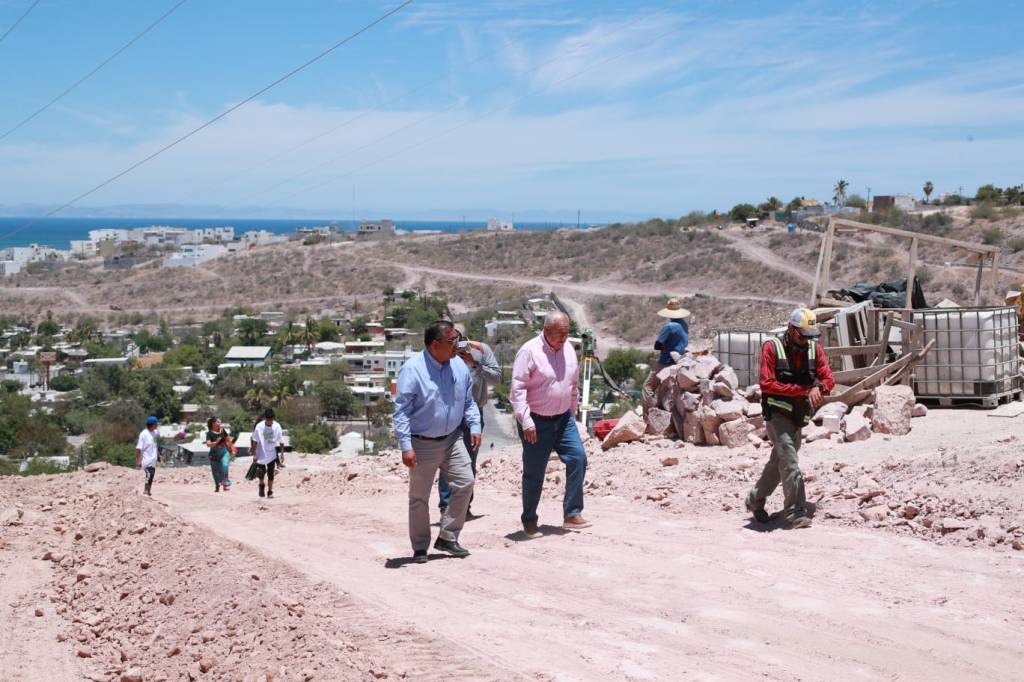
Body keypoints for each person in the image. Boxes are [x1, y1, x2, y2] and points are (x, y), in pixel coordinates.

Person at [394, 320, 481, 563]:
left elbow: (468, 401)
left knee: (465, 482)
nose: (457, 345)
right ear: (435, 344)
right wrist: (406, 446)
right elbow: (401, 412)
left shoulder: (459, 367)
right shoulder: (412, 370)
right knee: (419, 497)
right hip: (422, 443)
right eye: (452, 341)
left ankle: (448, 536)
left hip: (452, 439)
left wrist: (474, 425)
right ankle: (420, 547)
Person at [745, 307, 835, 529]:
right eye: (802, 335)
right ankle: (795, 512)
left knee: (780, 461)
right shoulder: (771, 347)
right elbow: (767, 383)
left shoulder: (815, 349)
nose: (806, 341)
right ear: (791, 330)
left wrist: (819, 388)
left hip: (798, 414)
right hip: (777, 413)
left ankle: (755, 499)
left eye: (809, 336)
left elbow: (829, 379)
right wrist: (803, 390)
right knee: (790, 461)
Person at [510, 311, 589, 538]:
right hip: (535, 422)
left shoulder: (569, 351)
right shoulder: (529, 352)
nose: (564, 339)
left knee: (578, 458)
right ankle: (530, 521)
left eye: (566, 334)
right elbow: (517, 390)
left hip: (564, 419)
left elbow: (573, 385)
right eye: (559, 335)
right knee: (535, 472)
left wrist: (572, 413)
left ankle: (572, 513)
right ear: (546, 331)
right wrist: (526, 422)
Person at [437, 329, 499, 519]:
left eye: (458, 342)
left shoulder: (482, 350)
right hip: (449, 414)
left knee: (469, 461)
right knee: (448, 460)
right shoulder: (443, 354)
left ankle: (464, 506)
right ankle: (446, 507)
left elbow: (496, 378)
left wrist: (474, 364)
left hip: (474, 414)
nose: (457, 347)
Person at [642, 297, 690, 415]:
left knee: (647, 387)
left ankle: (650, 414)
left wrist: (666, 347)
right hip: (677, 362)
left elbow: (658, 345)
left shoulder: (669, 326)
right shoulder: (684, 324)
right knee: (664, 391)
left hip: (665, 362)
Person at [251, 408, 284, 499]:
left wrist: (282, 454)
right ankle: (261, 485)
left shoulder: (277, 426)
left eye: (271, 420)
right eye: (268, 420)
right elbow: (254, 441)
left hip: (272, 453)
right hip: (260, 452)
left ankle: (270, 491)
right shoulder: (259, 426)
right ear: (264, 418)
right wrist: (254, 454)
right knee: (261, 471)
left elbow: (281, 441)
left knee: (270, 473)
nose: (270, 422)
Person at [205, 416, 235, 493]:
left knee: (225, 466)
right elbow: (208, 444)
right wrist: (215, 442)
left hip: (224, 452)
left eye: (220, 422)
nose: (219, 423)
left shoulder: (222, 430)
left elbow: (228, 440)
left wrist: (232, 450)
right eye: (218, 422)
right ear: (213, 423)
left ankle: (225, 484)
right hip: (214, 454)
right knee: (215, 471)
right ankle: (217, 485)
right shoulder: (209, 433)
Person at [135, 416, 160, 497]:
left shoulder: (155, 433)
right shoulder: (143, 434)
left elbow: (155, 445)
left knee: (152, 475)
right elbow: (138, 448)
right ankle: (145, 491)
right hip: (146, 460)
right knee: (149, 475)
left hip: (153, 459)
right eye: (156, 424)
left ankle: (148, 492)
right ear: (152, 425)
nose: (157, 426)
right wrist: (138, 461)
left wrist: (158, 456)